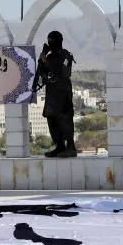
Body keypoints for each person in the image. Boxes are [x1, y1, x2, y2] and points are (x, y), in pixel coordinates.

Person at [34, 30, 77, 158]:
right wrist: (42, 59)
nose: (50, 44)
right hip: (52, 93)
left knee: (64, 119)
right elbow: (42, 74)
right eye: (49, 41)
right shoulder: (50, 57)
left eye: (52, 42)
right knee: (51, 119)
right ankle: (59, 146)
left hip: (63, 93)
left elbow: (63, 72)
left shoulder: (66, 55)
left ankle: (70, 147)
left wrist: (45, 61)